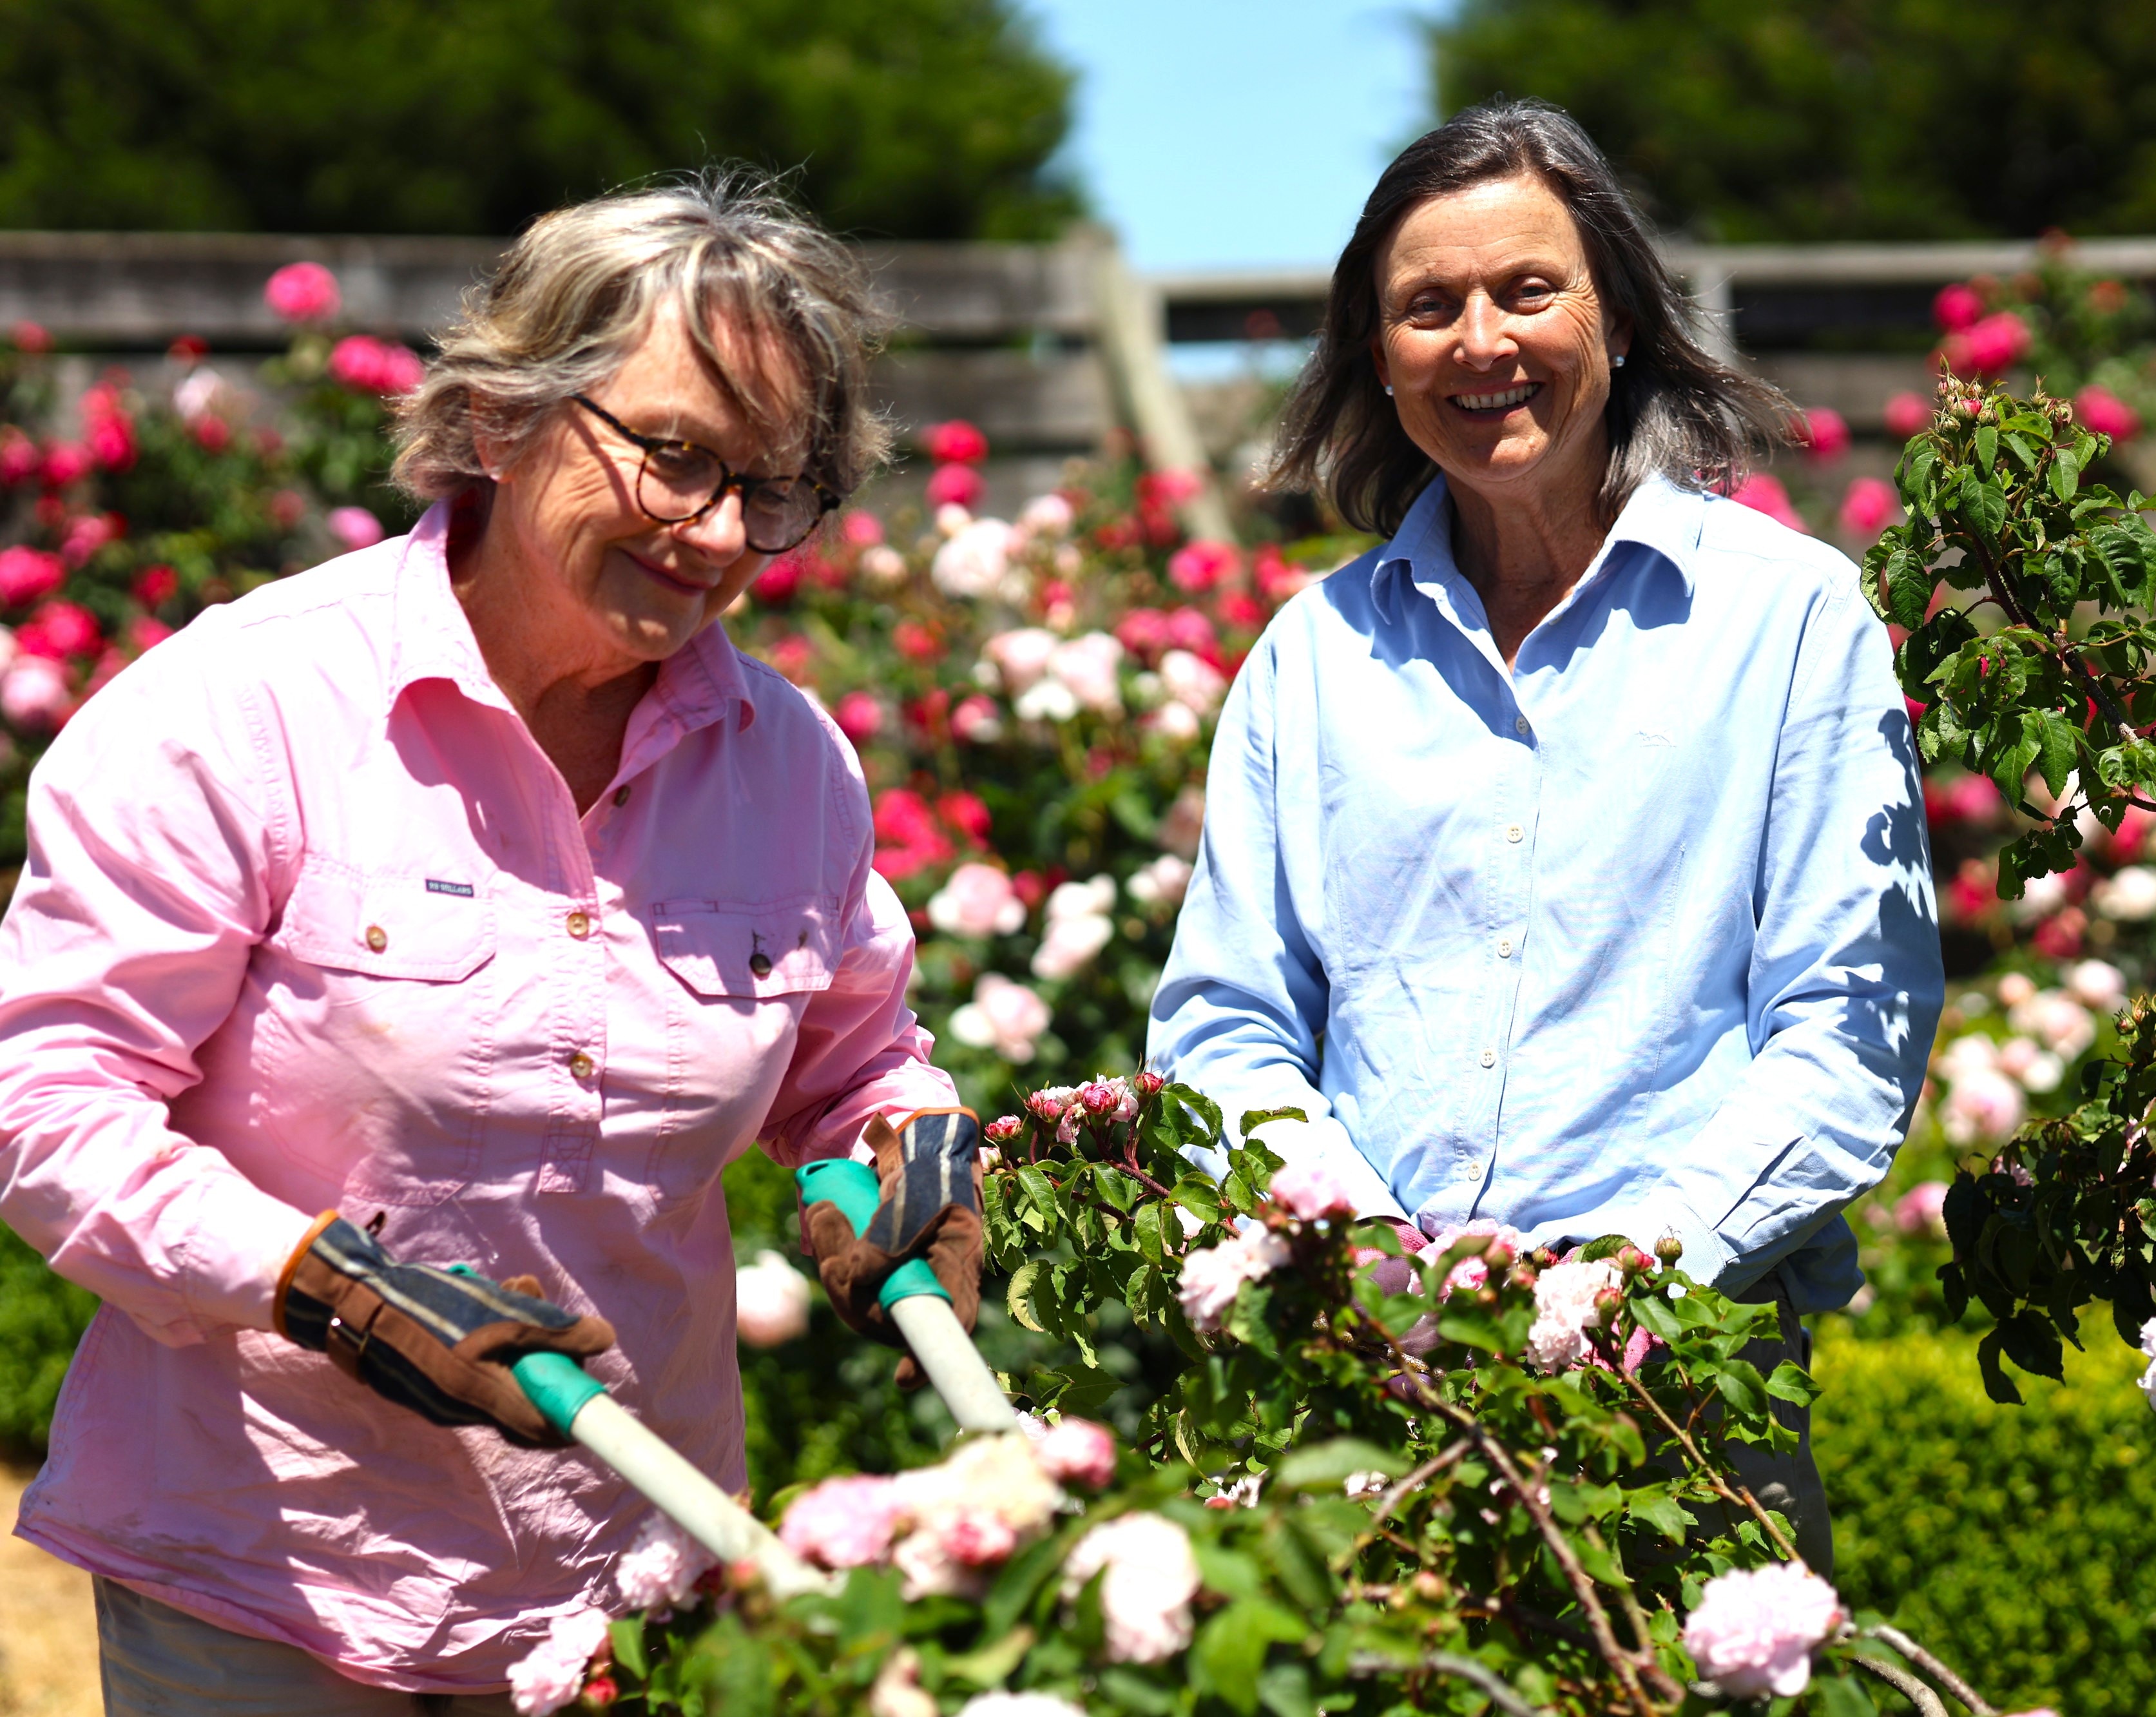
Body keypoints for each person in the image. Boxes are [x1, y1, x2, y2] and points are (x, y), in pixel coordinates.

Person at [0, 177, 980, 1711]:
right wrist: (327, 1284)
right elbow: (49, 1106)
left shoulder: (789, 767)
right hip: (275, 1573)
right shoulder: (242, 712)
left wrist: (911, 1161)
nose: (719, 532)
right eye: (673, 458)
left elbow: (855, 1066)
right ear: (504, 420)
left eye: (770, 487)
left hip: (630, 1574)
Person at [1146, 101, 1943, 1573]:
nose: (1479, 342)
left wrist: (1626, 1284)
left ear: (1621, 320)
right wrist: (1381, 1275)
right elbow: (1228, 1024)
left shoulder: (1791, 620)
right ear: (1377, 362)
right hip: (1370, 1406)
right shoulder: (1310, 659)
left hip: (1686, 1405)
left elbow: (1851, 1023)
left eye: (1528, 290)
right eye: (1426, 307)